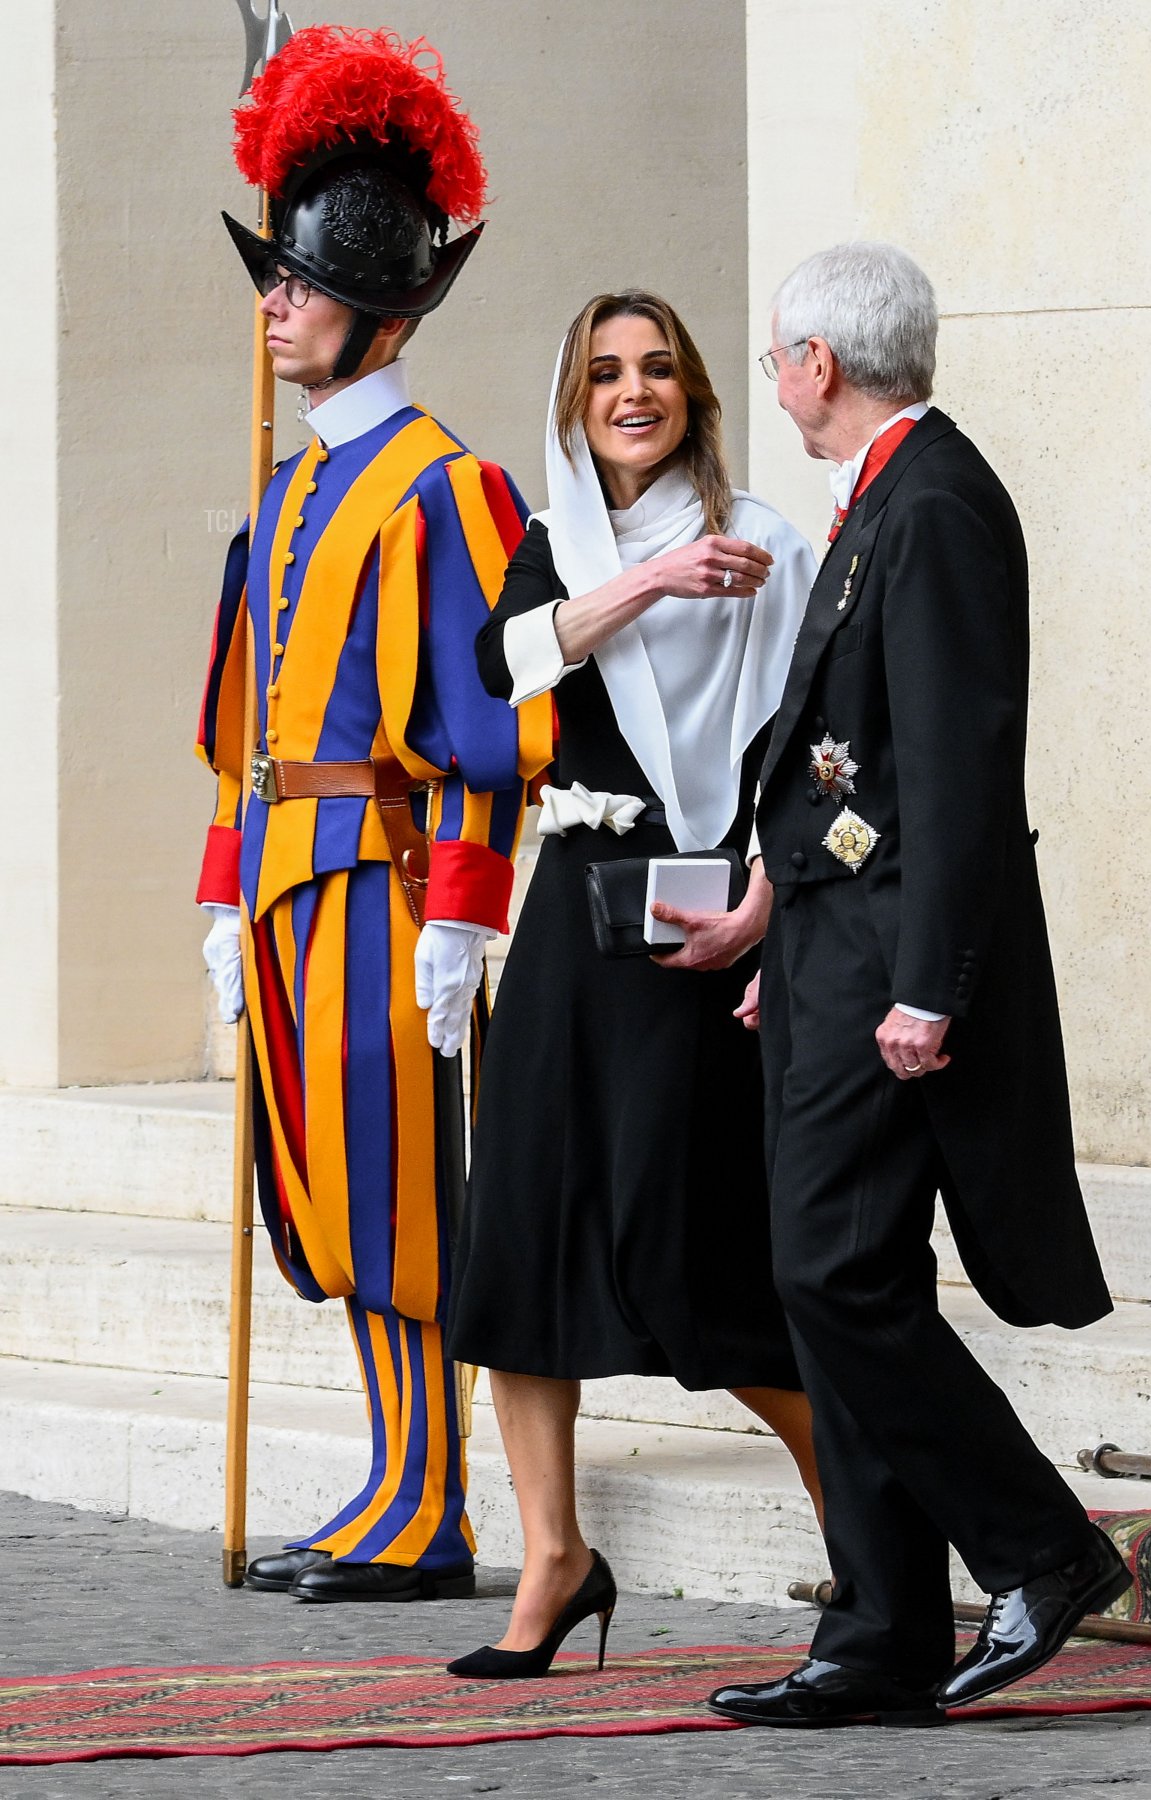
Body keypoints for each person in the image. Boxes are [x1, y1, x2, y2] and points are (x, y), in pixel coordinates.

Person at [698, 241, 1130, 1728]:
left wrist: (928, 984)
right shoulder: (889, 489)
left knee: (833, 1271)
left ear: (816, 361)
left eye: (776, 358)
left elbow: (953, 767)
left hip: (892, 969)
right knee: (834, 1282)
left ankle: (1041, 1549)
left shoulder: (934, 501)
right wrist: (791, 937)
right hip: (835, 951)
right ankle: (880, 1631)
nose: (777, 380)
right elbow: (851, 772)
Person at [196, 25, 550, 1603]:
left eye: (295, 285)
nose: (271, 306)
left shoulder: (441, 487)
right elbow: (238, 738)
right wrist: (221, 888)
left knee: (405, 1193)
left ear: (377, 308)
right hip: (283, 878)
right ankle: (391, 1476)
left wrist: (466, 912)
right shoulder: (282, 489)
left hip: (387, 884)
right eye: (269, 282)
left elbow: (488, 737)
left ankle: (434, 1504)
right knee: (326, 1195)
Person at [445, 291, 822, 1679]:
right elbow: (504, 663)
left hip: (701, 917)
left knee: (690, 1236)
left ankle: (860, 1528)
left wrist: (779, 921)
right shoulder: (558, 546)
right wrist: (652, 584)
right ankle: (555, 1559)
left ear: (696, 392)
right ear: (574, 401)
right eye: (606, 372)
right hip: (572, 917)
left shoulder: (765, 538)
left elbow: (801, 736)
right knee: (518, 1232)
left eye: (658, 368)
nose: (633, 390)